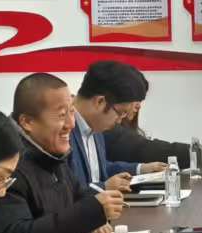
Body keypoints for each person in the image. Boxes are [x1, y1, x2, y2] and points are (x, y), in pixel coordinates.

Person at [0, 73, 123, 233]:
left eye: (72, 113)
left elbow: (79, 195)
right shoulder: (8, 165)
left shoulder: (51, 153)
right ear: (27, 122)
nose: (71, 124)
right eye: (62, 115)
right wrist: (88, 213)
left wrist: (96, 213)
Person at [100, 65, 202, 170]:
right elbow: (148, 150)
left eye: (140, 100)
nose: (138, 106)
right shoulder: (105, 129)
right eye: (134, 99)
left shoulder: (120, 128)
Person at [69, 61, 163, 191]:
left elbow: (99, 169)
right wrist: (104, 187)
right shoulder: (62, 132)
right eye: (121, 113)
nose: (119, 121)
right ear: (100, 102)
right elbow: (66, 190)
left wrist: (141, 168)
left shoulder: (95, 125)